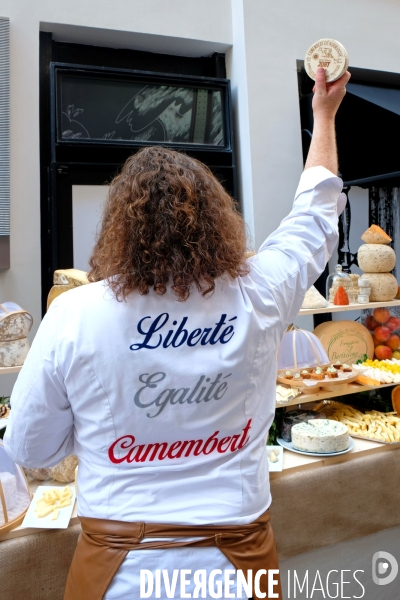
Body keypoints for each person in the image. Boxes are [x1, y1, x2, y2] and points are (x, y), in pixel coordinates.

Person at [5, 67, 350, 600]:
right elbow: (316, 213)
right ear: (218, 217)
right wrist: (324, 115)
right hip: (239, 575)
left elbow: (32, 446)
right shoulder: (259, 292)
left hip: (118, 578)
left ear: (119, 226)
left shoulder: (73, 313)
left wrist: (104, 425)